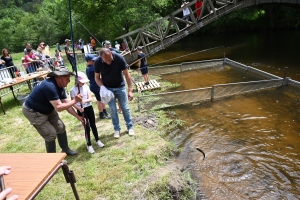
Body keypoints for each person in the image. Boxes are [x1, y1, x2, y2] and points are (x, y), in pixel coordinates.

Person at [22, 66, 84, 156]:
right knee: (50, 134)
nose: (69, 81)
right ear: (59, 77)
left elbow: (66, 103)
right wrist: (75, 101)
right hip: (33, 111)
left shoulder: (60, 85)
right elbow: (59, 107)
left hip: (48, 109)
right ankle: (52, 160)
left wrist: (78, 117)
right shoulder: (49, 86)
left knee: (60, 127)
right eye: (67, 79)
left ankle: (65, 149)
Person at [94, 48, 134, 138]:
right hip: (108, 89)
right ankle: (117, 129)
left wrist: (130, 90)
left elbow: (127, 75)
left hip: (120, 86)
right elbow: (96, 78)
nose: (109, 62)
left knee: (125, 108)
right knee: (112, 110)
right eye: (106, 60)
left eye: (110, 59)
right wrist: (103, 87)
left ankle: (130, 127)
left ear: (111, 54)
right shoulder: (97, 62)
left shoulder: (119, 58)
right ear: (101, 58)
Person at [70, 71, 105, 154]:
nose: (83, 83)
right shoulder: (72, 90)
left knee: (93, 124)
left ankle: (97, 140)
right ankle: (89, 144)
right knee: (87, 126)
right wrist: (79, 108)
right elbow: (73, 102)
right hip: (81, 110)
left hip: (89, 107)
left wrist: (83, 101)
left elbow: (90, 99)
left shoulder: (86, 87)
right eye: (82, 82)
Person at [85, 54, 111, 119]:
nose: (94, 62)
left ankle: (104, 111)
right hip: (95, 86)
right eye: (92, 61)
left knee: (101, 99)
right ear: (88, 61)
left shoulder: (88, 68)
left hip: (93, 85)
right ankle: (101, 114)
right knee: (99, 100)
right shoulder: (92, 68)